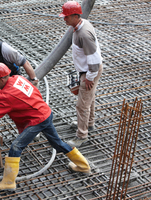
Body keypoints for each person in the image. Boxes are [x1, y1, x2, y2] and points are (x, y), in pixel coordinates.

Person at [0, 63, 91, 192]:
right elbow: (4, 91)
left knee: (16, 146)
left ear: (1, 79)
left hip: (37, 120)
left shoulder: (7, 96)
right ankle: (83, 165)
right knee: (57, 143)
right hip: (45, 112)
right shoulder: (17, 79)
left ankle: (8, 183)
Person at [59, 1, 103, 148]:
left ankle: (82, 135)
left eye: (66, 17)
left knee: (82, 105)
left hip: (91, 70)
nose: (64, 19)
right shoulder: (80, 25)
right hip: (87, 70)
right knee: (89, 99)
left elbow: (94, 59)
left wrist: (89, 77)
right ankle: (89, 124)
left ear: (75, 16)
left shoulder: (84, 34)